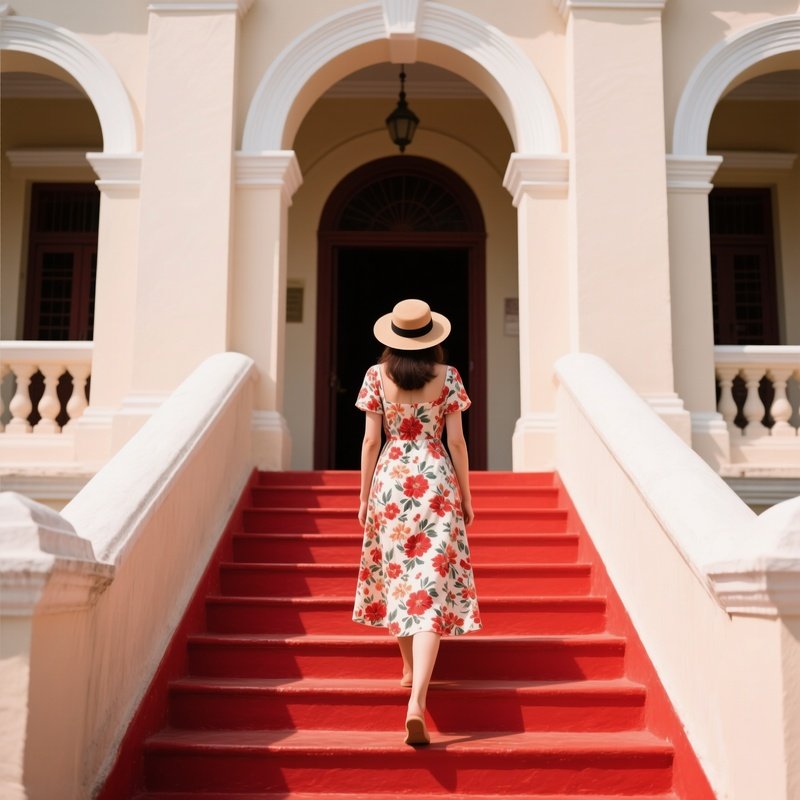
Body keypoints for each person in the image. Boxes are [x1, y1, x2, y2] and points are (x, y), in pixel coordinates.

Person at [352, 297, 482, 746]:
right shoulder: (448, 378)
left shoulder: (376, 376)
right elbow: (458, 442)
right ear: (432, 337)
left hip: (391, 479)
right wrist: (465, 495)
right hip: (434, 480)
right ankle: (417, 699)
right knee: (428, 584)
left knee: (399, 578)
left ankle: (407, 669)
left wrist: (365, 494)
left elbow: (371, 441)